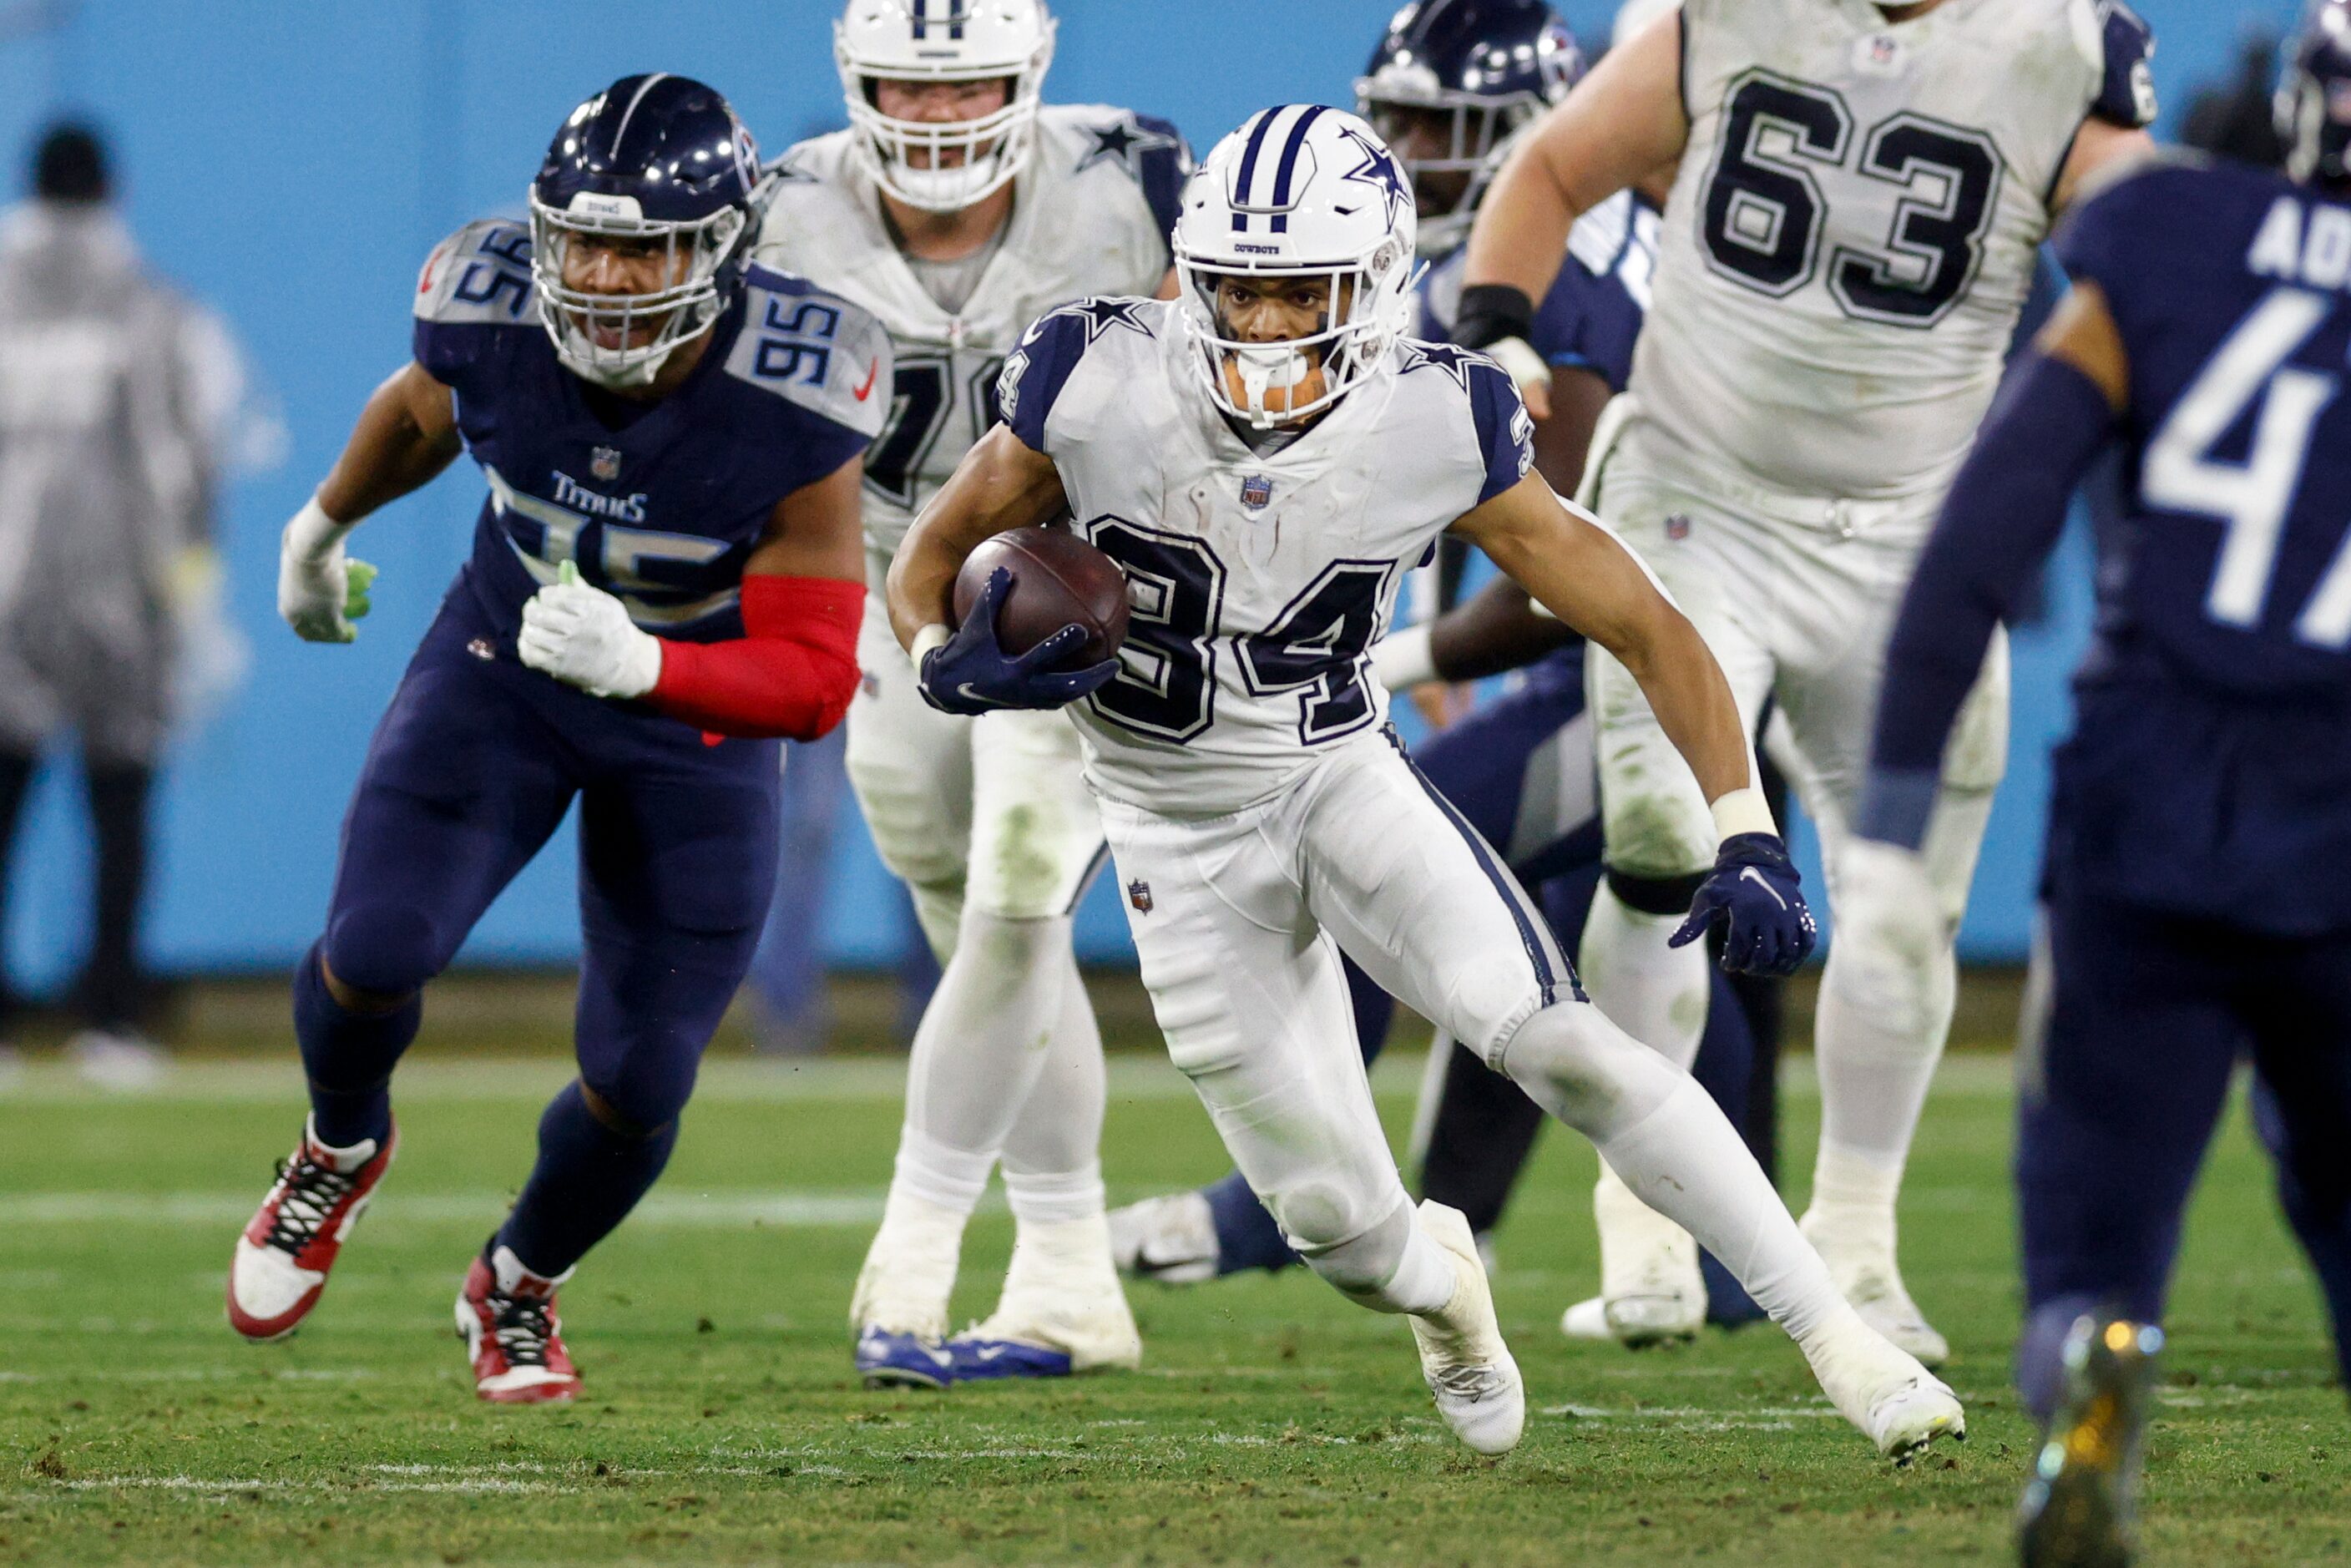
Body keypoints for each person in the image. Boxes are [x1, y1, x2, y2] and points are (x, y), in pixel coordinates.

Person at [887, 104, 1960, 1461]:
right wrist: (943, 661)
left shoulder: (1437, 414)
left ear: (1376, 283)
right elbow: (925, 564)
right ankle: (1442, 1285)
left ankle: (1843, 1345)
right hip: (1171, 826)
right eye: (1238, 285)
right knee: (1334, 1229)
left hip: (1337, 777)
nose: (1265, 324)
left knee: (1562, 1041)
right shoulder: (1092, 379)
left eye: (1300, 289)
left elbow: (1646, 621)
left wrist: (1741, 824)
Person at [1450, 0, 2158, 1360]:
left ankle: (1856, 1239)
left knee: (1901, 909)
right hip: (1696, 499)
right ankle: (1643, 1216)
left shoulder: (2060, 49)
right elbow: (1547, 169)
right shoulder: (1720, 17)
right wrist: (1498, 326)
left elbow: (2147, 270)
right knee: (1661, 851)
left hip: (1914, 535)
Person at [1108, 0, 1781, 1338]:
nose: (1410, 148)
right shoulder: (1452, 262)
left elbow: (1570, 571)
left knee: (1411, 883)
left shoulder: (1571, 271)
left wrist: (1395, 652)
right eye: (1400, 117)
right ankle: (1713, 1258)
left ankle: (1277, 1210)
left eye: (1446, 127)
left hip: (1671, 650)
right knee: (1594, 924)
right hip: (1659, 645)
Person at [224, 75, 886, 1404]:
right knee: (373, 948)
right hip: (506, 663)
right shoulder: (485, 305)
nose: (602, 274)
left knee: (642, 1079)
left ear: (722, 248)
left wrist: (653, 662)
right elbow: (424, 411)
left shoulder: (800, 389)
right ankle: (339, 1144)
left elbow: (817, 682)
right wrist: (318, 527)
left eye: (640, 245)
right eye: (580, 239)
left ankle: (515, 1283)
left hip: (693, 718)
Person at [1850, 6, 2351, 1555]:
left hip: (2148, 791)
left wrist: (1882, 833)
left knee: (2089, 1234)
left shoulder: (2170, 234)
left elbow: (1983, 535)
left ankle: (2087, 1348)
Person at [756, 0, 1188, 1388]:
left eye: (971, 90)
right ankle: (1072, 1270)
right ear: (855, 81)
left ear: (1030, 77)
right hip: (881, 585)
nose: (939, 117)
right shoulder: (779, 212)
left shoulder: (1134, 178)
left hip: (1065, 589)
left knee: (1016, 891)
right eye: (907, 89)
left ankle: (925, 1246)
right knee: (979, 918)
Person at [0, 122, 251, 1090]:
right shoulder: (152, 306)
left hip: (7, 600)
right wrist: (199, 604)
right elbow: (194, 458)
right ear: (117, 187)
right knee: (120, 806)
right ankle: (111, 1018)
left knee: (7, 806)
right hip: (121, 602)